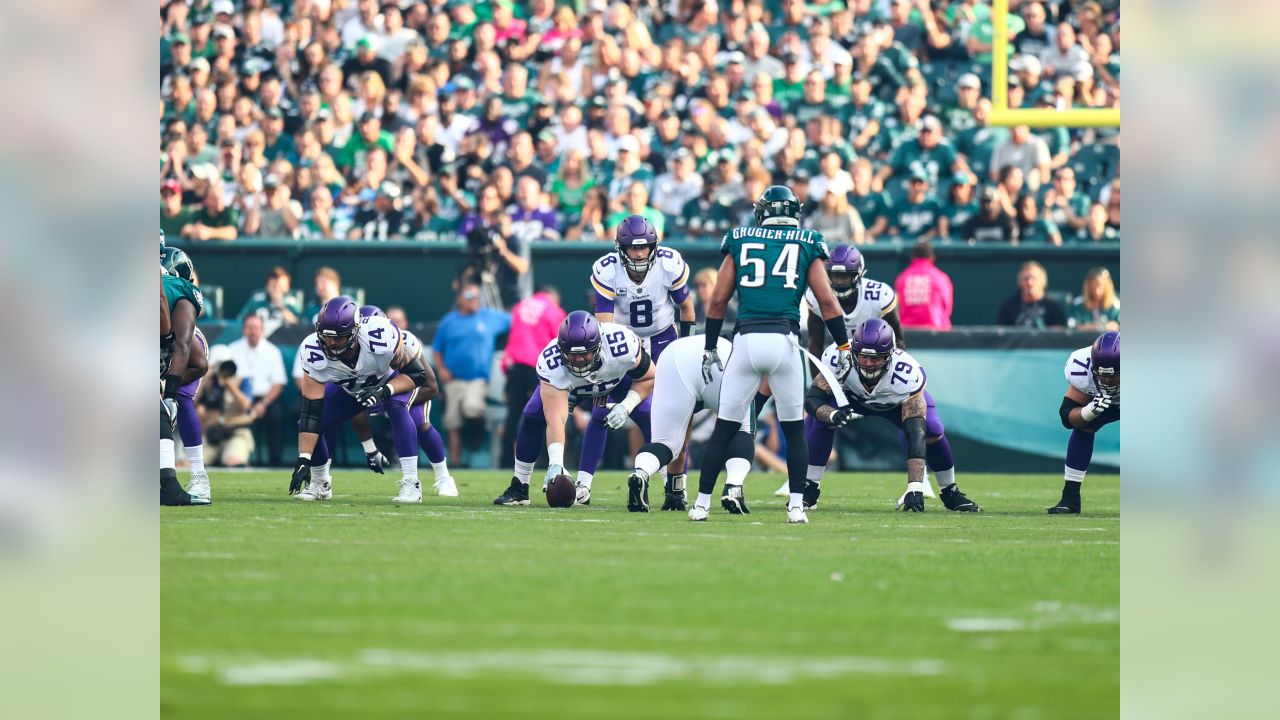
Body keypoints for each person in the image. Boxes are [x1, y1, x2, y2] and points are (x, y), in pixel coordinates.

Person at [697, 185, 850, 524]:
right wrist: (843, 345)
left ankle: (701, 503)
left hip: (747, 341)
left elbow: (718, 301)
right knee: (794, 430)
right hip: (785, 342)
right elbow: (826, 302)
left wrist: (709, 345)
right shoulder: (808, 242)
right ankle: (796, 507)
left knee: (724, 428)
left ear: (762, 212)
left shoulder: (738, 237)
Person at [806, 318, 981, 512]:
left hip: (896, 405)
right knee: (820, 421)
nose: (868, 363)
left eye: (876, 358)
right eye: (863, 356)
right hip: (852, 399)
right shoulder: (838, 357)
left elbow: (916, 433)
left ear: (890, 355)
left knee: (932, 429)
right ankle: (810, 487)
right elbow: (813, 399)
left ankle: (950, 491)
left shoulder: (906, 372)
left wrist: (915, 487)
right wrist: (832, 415)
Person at [582, 215, 696, 499]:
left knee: (667, 415)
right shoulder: (608, 270)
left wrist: (686, 346)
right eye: (632, 248)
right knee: (601, 412)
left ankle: (673, 484)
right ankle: (583, 484)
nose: (639, 253)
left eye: (644, 247)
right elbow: (605, 325)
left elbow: (687, 308)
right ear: (621, 248)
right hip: (622, 343)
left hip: (662, 340)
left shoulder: (669, 264)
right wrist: (604, 374)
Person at [492, 312, 655, 508]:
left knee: (648, 415)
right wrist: (555, 464)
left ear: (599, 346)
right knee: (532, 414)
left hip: (616, 380)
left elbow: (650, 377)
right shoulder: (552, 361)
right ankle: (520, 486)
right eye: (572, 354)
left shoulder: (620, 344)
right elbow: (556, 420)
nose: (578, 360)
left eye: (585, 353)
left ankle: (673, 487)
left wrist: (627, 405)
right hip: (571, 387)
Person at [289, 297, 440, 503]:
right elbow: (310, 413)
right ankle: (320, 483)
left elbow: (417, 375)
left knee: (395, 405)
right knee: (309, 422)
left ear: (355, 331)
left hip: (390, 382)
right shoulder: (313, 350)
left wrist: (384, 391)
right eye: (326, 336)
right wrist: (303, 459)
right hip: (353, 390)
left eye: (339, 337)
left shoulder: (379, 336)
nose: (331, 343)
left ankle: (411, 483)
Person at [627, 335, 759, 513]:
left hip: (674, 356)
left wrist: (675, 493)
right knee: (742, 428)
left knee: (666, 443)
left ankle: (642, 473)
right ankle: (733, 488)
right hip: (721, 354)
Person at [432, 284, 512, 462]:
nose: (474, 300)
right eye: (469, 296)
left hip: (477, 379)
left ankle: (476, 435)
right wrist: (442, 369)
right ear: (460, 298)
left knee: (472, 408)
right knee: (452, 421)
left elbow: (515, 321)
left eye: (477, 296)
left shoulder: (490, 317)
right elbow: (437, 349)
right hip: (453, 379)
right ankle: (454, 463)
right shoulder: (449, 321)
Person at [161, 246, 210, 506]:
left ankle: (198, 474)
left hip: (179, 347)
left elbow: (198, 363)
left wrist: (167, 387)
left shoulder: (180, 292)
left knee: (180, 396)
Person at [1051, 331, 1119, 514]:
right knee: (1084, 426)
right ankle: (1070, 498)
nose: (1106, 380)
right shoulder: (1082, 365)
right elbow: (1066, 417)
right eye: (1102, 375)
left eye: (1113, 376)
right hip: (1108, 403)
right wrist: (1089, 412)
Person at [500, 287, 566, 468]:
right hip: (540, 367)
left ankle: (506, 462)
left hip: (516, 365)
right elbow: (561, 341)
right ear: (553, 297)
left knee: (513, 416)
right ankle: (545, 461)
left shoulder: (520, 306)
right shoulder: (554, 310)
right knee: (548, 414)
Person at [223, 313, 288, 465]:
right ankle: (233, 458)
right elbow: (225, 380)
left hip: (265, 399)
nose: (253, 331)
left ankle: (275, 461)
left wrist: (264, 403)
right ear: (244, 330)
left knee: (277, 416)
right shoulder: (232, 350)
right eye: (250, 328)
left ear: (262, 330)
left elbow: (278, 384)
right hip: (237, 399)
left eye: (256, 328)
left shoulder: (273, 351)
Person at [894, 241, 954, 331]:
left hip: (907, 334)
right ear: (932, 258)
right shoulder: (941, 278)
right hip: (937, 333)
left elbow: (897, 309)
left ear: (912, 258)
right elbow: (947, 309)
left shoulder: (901, 278)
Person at [996, 261, 1068, 328]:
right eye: (1025, 279)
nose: (1029, 283)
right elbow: (1001, 334)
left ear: (1043, 281)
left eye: (1034, 278)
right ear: (1019, 282)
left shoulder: (1053, 307)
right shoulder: (1008, 306)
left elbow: (1058, 335)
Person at [236, 266, 302, 337]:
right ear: (267, 286)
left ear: (287, 287)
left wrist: (281, 307)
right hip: (259, 340)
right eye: (273, 286)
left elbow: (300, 326)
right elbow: (240, 320)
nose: (277, 290)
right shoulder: (257, 300)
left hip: (285, 341)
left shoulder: (292, 302)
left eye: (280, 287)